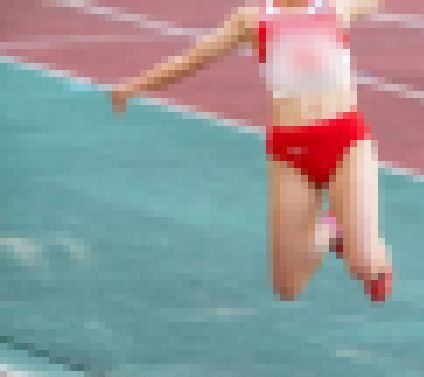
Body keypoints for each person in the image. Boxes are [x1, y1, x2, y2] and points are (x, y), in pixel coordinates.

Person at [110, 0, 393, 301]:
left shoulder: (337, 6)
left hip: (346, 143)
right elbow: (193, 59)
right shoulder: (252, 18)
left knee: (363, 262)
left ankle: (369, 258)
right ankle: (330, 231)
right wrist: (135, 85)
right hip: (290, 153)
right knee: (287, 287)